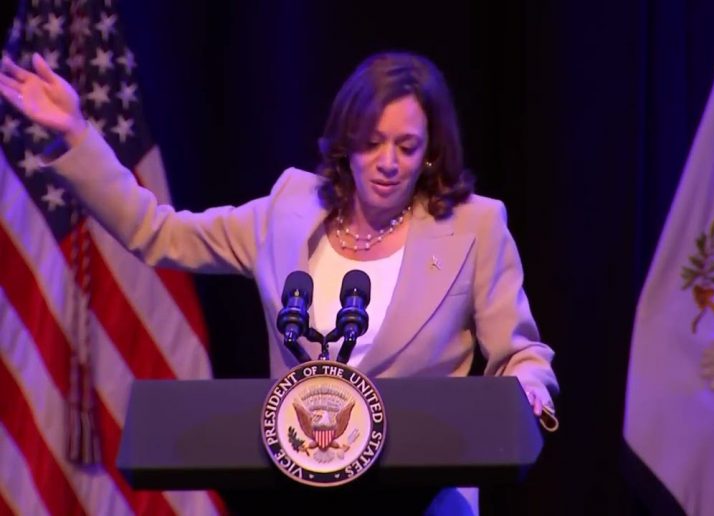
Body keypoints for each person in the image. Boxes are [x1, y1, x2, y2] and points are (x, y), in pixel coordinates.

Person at [0, 50, 558, 514]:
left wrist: (529, 386)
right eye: (371, 142)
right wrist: (77, 133)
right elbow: (156, 232)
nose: (388, 162)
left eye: (406, 146)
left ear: (430, 153)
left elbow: (521, 352)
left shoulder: (474, 227)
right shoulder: (287, 211)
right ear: (346, 142)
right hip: (305, 493)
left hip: (427, 497)